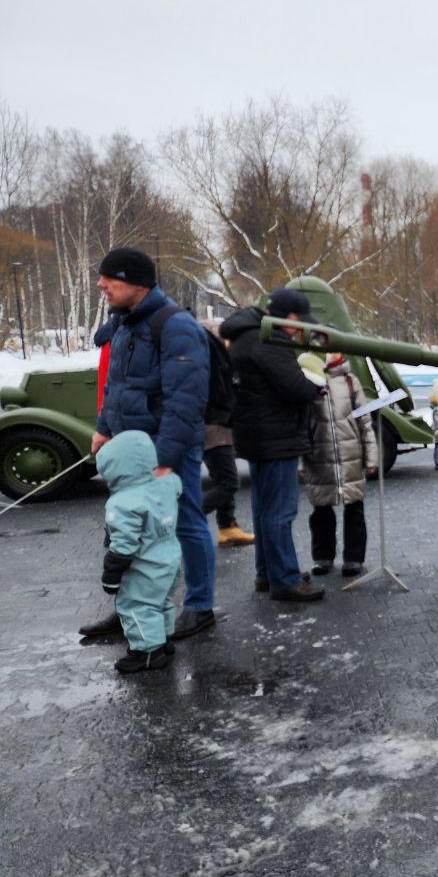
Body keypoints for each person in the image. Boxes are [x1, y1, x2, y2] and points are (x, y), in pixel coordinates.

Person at [81, 247, 217, 642]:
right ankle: (131, 609)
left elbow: (187, 399)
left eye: (111, 278)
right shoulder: (124, 322)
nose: (101, 284)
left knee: (186, 522)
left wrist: (166, 457)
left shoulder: (176, 326)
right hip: (129, 446)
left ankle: (199, 605)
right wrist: (104, 427)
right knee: (128, 527)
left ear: (136, 283)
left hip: (166, 449)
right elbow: (117, 384)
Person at [220, 288, 326, 602]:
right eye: (299, 321)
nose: (301, 328)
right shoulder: (267, 341)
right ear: (284, 317)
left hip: (256, 436)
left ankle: (267, 574)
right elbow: (295, 387)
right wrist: (315, 388)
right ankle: (285, 579)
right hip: (275, 437)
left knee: (265, 510)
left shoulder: (246, 335)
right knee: (280, 512)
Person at [98, 431, 182, 674]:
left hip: (144, 565)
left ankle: (148, 653)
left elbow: (124, 545)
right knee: (161, 600)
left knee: (136, 606)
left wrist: (111, 576)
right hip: (169, 558)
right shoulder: (166, 484)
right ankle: (164, 641)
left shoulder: (122, 502)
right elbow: (175, 484)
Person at [300, 353, 377, 577]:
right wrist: (301, 461)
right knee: (321, 511)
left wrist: (371, 457)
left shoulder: (351, 382)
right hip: (319, 458)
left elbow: (365, 423)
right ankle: (322, 557)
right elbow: (303, 425)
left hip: (350, 457)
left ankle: (354, 558)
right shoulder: (310, 380)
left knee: (354, 509)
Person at [199, 318, 254, 548]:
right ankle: (186, 517)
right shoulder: (214, 359)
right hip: (215, 427)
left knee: (223, 478)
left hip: (217, 425)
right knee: (229, 482)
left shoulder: (211, 357)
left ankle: (228, 526)